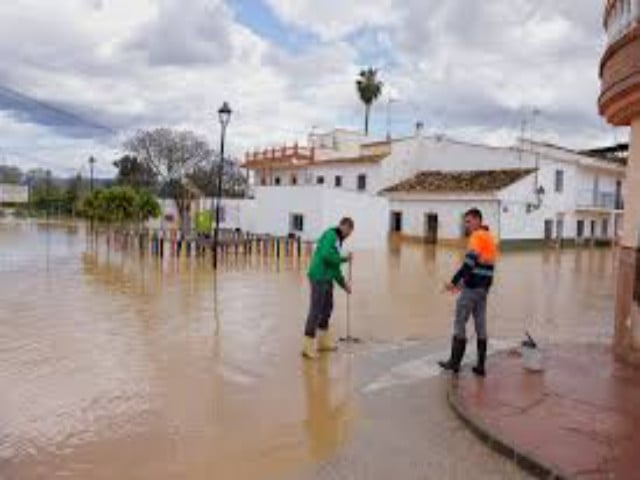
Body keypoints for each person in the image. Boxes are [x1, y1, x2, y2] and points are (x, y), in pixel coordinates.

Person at [439, 208, 498, 376]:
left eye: (469, 221)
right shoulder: (489, 237)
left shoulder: (476, 237)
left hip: (472, 289)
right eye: (465, 222)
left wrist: (453, 282)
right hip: (483, 289)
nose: (466, 225)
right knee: (481, 325)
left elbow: (468, 265)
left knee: (459, 322)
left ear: (478, 221)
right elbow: (484, 268)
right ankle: (480, 367)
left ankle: (454, 363)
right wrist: (463, 283)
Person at [302, 217, 354, 359]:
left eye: (350, 232)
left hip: (327, 278)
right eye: (348, 230)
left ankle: (322, 341)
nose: (348, 234)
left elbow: (334, 267)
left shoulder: (338, 241)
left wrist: (344, 285)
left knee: (327, 308)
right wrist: (344, 259)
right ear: (342, 226)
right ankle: (307, 346)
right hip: (318, 276)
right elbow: (326, 255)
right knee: (316, 310)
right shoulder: (331, 235)